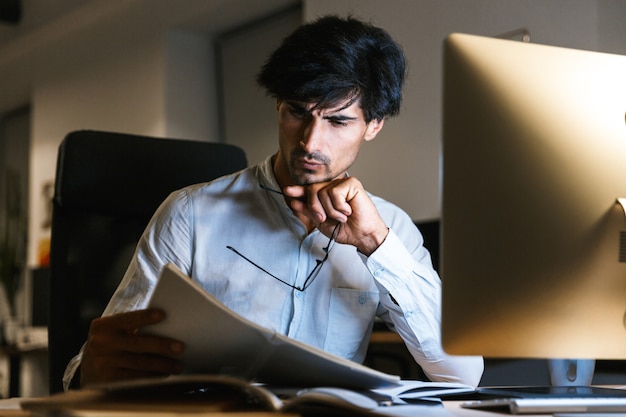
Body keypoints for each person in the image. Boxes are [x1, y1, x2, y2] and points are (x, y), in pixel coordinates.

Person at [63, 15, 484, 391]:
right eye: (296, 112)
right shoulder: (190, 215)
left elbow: (462, 374)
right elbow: (99, 364)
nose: (310, 142)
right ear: (278, 105)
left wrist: (375, 242)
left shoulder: (389, 227)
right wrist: (91, 373)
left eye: (338, 121)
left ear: (373, 125)